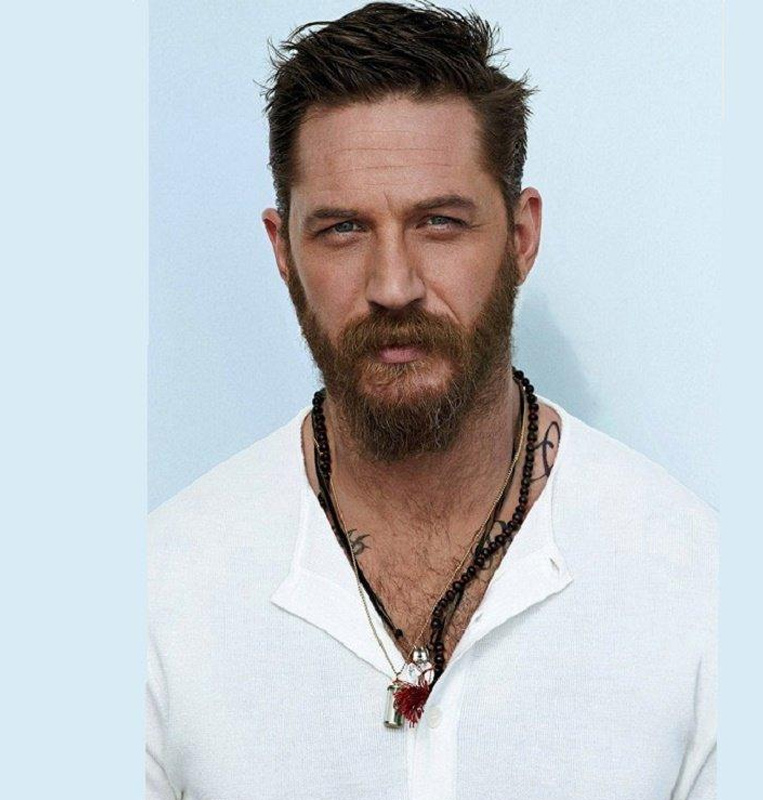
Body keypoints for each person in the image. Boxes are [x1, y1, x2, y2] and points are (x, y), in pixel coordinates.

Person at [146, 2, 717, 798]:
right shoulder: (161, 589)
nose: (393, 285)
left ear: (520, 236)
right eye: (343, 229)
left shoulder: (697, 584)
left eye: (440, 223)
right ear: (283, 250)